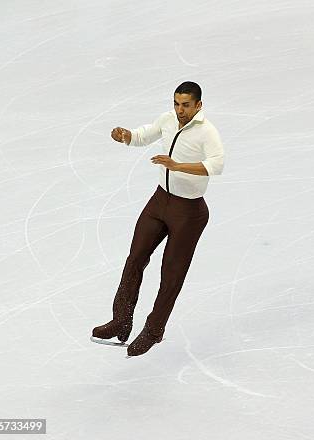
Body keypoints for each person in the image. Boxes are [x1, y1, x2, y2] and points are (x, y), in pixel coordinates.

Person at [91, 81, 224, 356]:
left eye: (186, 105)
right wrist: (126, 135)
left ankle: (153, 331)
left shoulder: (207, 132)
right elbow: (143, 135)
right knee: (135, 257)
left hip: (189, 212)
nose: (180, 110)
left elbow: (216, 165)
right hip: (160, 201)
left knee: (171, 275)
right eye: (176, 103)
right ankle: (121, 319)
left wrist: (177, 166)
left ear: (198, 105)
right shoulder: (167, 120)